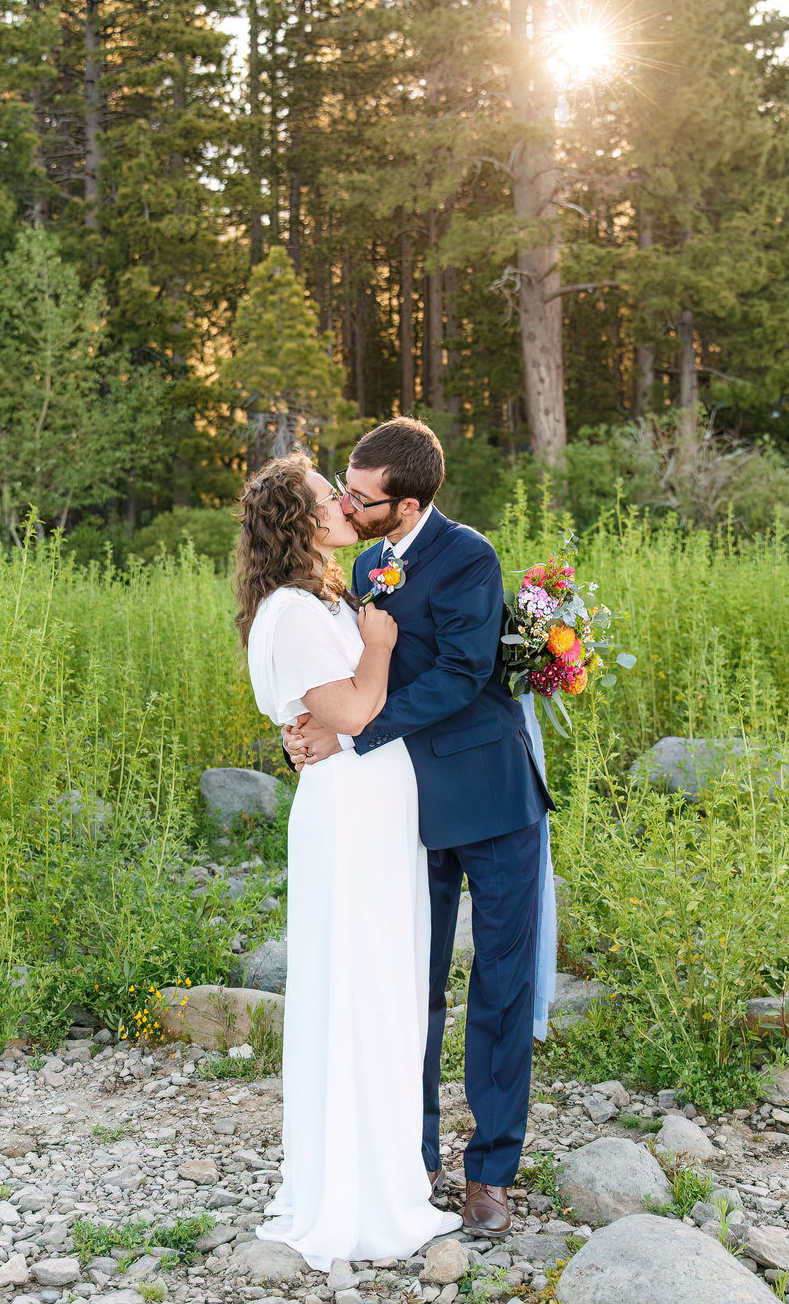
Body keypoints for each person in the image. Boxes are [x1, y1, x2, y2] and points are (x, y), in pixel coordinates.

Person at [282, 417, 553, 1238]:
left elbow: (466, 674)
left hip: (495, 800)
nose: (347, 503)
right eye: (347, 488)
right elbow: (348, 673)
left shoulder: (470, 555)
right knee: (413, 988)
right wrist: (309, 725)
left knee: (498, 990)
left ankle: (491, 1171)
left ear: (405, 504)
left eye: (361, 496)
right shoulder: (365, 564)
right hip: (406, 808)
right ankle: (413, 1158)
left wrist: (356, 733)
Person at [235, 452, 461, 1270]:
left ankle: (386, 1174)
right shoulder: (292, 612)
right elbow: (356, 707)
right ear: (299, 522)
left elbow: (337, 718)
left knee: (383, 982)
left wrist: (365, 634)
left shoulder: (326, 595)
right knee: (356, 983)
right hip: (348, 817)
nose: (343, 501)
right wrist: (379, 641)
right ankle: (353, 1198)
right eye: (328, 495)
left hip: (375, 810)